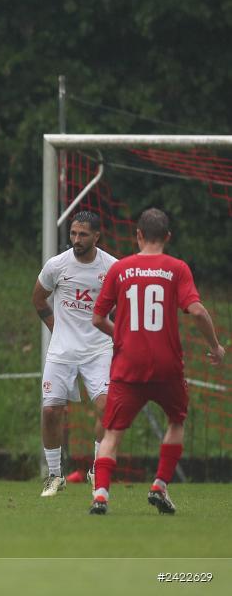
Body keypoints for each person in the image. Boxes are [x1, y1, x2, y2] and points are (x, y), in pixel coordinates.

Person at [89, 208, 224, 515]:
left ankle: (100, 496)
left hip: (128, 364)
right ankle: (159, 485)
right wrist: (215, 347)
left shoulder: (119, 269)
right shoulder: (176, 268)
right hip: (167, 365)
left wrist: (120, 335)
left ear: (137, 235)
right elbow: (198, 311)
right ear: (167, 237)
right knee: (176, 420)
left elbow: (97, 318)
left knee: (113, 432)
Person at [32, 211, 118, 496]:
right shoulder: (57, 265)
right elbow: (38, 298)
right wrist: (57, 330)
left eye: (83, 234)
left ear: (97, 236)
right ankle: (55, 476)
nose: (76, 240)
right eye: (73, 234)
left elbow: (124, 307)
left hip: (98, 349)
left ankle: (97, 470)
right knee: (50, 411)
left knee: (107, 409)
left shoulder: (112, 268)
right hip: (62, 350)